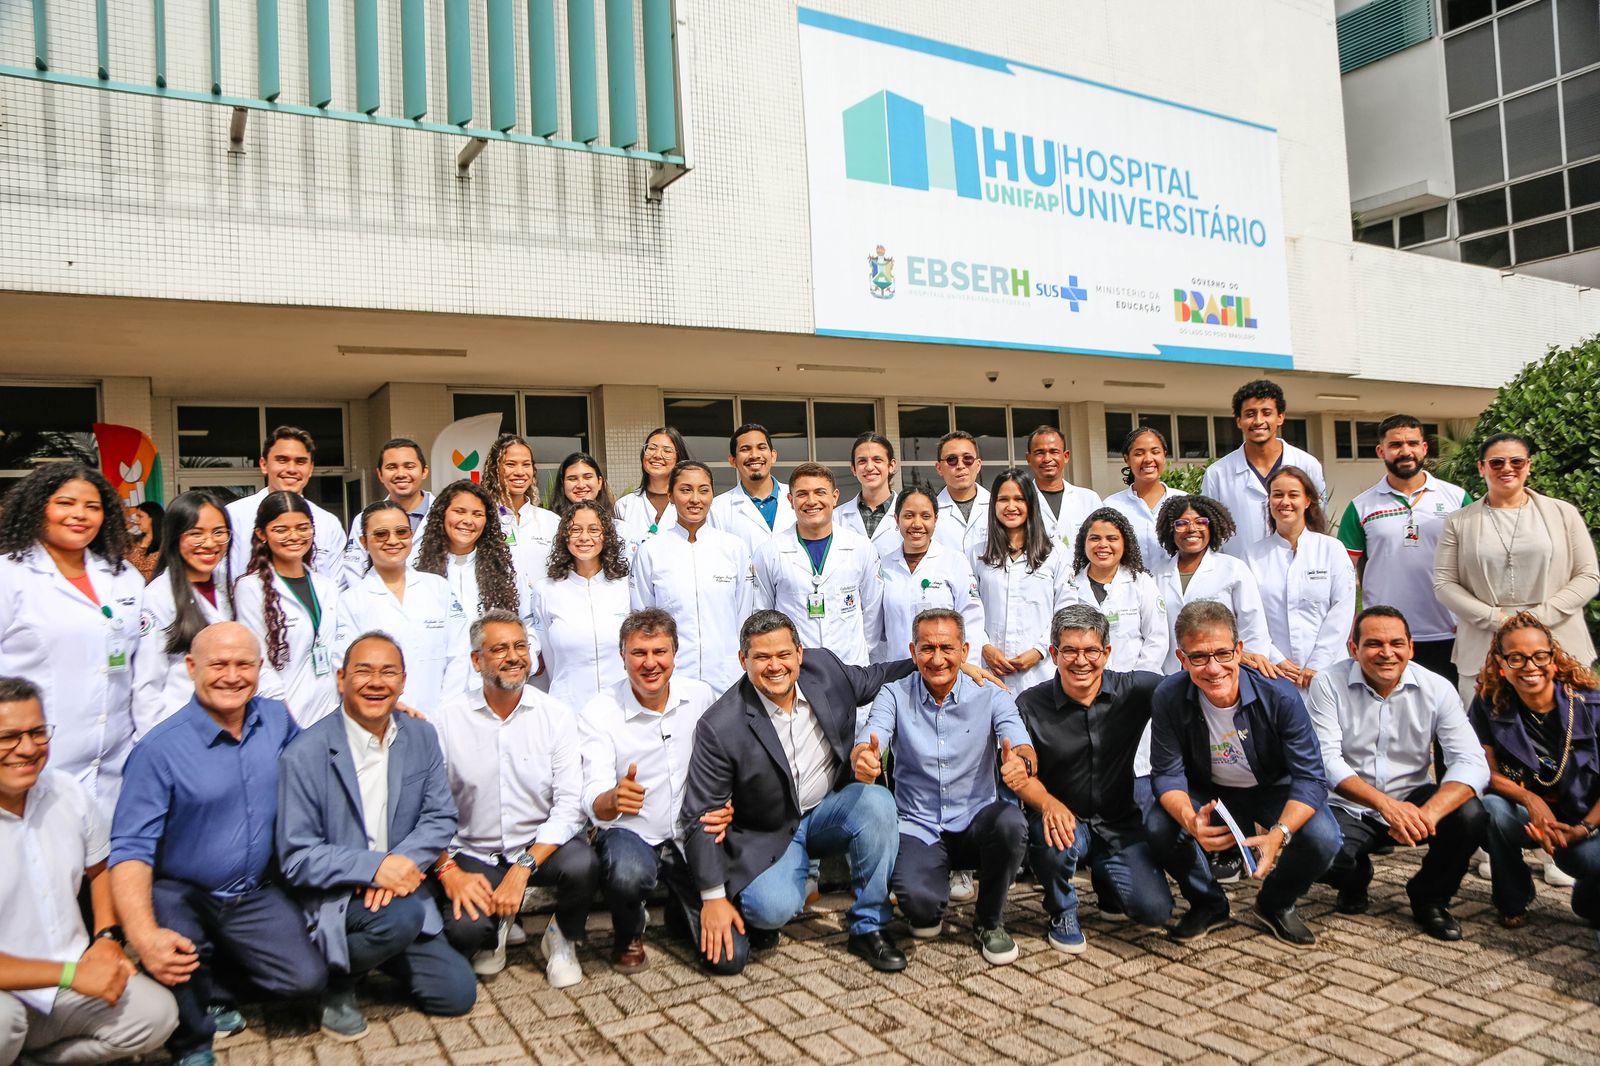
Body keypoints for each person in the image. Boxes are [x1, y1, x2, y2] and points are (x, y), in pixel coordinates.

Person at [109, 623, 327, 1065]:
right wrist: (143, 935)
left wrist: (378, 718)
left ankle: (211, 983)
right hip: (181, 894)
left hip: (253, 892)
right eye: (218, 665)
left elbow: (320, 756)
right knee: (175, 953)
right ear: (191, 667)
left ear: (260, 668)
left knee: (306, 980)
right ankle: (192, 1042)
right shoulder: (157, 751)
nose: (232, 676)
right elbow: (130, 850)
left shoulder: (276, 719)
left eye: (244, 664)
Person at [679, 610, 915, 975]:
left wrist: (944, 665)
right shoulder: (720, 725)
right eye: (762, 657)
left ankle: (869, 927)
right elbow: (700, 816)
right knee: (769, 908)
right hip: (768, 832)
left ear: (800, 654)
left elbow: (879, 676)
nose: (775, 666)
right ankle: (757, 897)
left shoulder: (827, 671)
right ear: (743, 660)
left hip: (828, 810)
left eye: (783, 654)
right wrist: (712, 898)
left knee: (877, 803)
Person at [276, 632, 476, 1040]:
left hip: (398, 892)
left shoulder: (421, 736)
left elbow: (440, 816)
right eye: (363, 671)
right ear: (341, 679)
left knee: (457, 994)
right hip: (338, 895)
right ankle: (335, 982)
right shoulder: (305, 753)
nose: (376, 682)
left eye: (388, 672)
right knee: (400, 919)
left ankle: (369, 957)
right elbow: (297, 857)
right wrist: (373, 868)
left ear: (403, 682)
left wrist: (397, 866)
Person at [0, 676, 177, 1066]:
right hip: (11, 993)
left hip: (71, 978)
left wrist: (107, 936)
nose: (27, 748)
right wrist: (69, 974)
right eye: (8, 737)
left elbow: (101, 868)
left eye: (37, 732)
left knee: (157, 1016)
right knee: (3, 1022)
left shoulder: (66, 791)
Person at [1148, 601, 1341, 946]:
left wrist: (1279, 832)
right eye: (1198, 657)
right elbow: (1166, 774)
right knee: (1160, 825)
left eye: (1223, 654)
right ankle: (1208, 903)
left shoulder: (1279, 694)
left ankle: (1275, 902)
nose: (1213, 668)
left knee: (1324, 837)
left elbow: (1311, 778)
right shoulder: (1169, 695)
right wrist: (1190, 820)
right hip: (1210, 792)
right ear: (1181, 659)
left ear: (1239, 650)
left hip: (1272, 788)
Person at [853, 609, 1033, 965]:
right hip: (919, 827)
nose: (937, 659)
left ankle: (989, 921)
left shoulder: (991, 695)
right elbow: (871, 736)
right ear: (913, 651)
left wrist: (1021, 762)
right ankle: (927, 903)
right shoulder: (894, 694)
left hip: (976, 822)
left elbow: (1019, 740)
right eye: (927, 648)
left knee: (1011, 823)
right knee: (920, 910)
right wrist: (864, 757)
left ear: (965, 651)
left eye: (947, 648)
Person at [432, 611, 599, 987]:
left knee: (583, 864)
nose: (514, 656)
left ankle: (561, 937)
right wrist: (448, 868)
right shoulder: (447, 720)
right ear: (477, 661)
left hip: (539, 849)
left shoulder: (555, 715)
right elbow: (429, 808)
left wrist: (523, 868)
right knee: (464, 932)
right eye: (499, 649)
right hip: (476, 852)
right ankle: (496, 931)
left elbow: (569, 804)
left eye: (520, 646)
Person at [1012, 606, 1194, 951]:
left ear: (1106, 652)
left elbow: (1191, 682)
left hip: (1118, 823)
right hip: (1062, 818)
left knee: (1155, 911)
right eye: (1069, 650)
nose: (1081, 661)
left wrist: (1245, 666)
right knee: (1054, 838)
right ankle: (1062, 910)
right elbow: (1021, 774)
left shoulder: (1136, 690)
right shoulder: (1030, 704)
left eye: (1091, 651)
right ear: (1054, 654)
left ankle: (1109, 885)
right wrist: (1048, 804)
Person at [1307, 607, 1488, 939]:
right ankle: (1355, 877)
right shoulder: (1327, 683)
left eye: (1396, 643)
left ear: (1411, 648)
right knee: (1320, 855)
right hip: (1348, 803)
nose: (1386, 653)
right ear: (1353, 649)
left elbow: (1472, 761)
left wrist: (1428, 814)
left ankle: (1429, 898)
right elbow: (1326, 761)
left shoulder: (1437, 688)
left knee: (1471, 814)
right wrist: (1385, 806)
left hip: (1412, 798)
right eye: (1374, 643)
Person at [0, 462, 144, 821]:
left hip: (115, 765)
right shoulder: (9, 575)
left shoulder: (123, 576)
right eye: (65, 503)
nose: (80, 514)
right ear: (38, 508)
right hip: (33, 760)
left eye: (92, 507)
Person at [578, 609, 720, 973]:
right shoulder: (599, 711)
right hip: (631, 832)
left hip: (687, 833)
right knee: (627, 874)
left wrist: (728, 801)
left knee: (727, 959)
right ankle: (629, 931)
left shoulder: (700, 696)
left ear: (675, 653)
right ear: (622, 655)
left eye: (660, 651)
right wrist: (612, 799)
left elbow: (724, 762)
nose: (650, 663)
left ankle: (679, 912)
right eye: (639, 653)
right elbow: (593, 794)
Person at [1434, 432, 1599, 707]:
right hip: (1483, 642)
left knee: (1569, 723)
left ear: (1529, 465)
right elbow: (1444, 583)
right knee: (1488, 724)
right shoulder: (1458, 522)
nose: (1507, 468)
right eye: (1496, 462)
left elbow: (1588, 576)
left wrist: (1537, 618)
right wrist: (1496, 619)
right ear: (1481, 467)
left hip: (1559, 637)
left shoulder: (1563, 513)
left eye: (1517, 461)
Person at [1469, 612, 1600, 936]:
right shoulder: (1488, 704)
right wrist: (1530, 799)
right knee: (1492, 808)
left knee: (1588, 888)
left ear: (1553, 659)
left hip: (1586, 822)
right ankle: (1512, 900)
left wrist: (1582, 829)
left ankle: (1589, 894)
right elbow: (1484, 771)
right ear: (1501, 664)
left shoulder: (1592, 705)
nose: (1530, 666)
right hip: (1527, 817)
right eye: (1517, 658)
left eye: (1539, 656)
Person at [1336, 415, 1472, 688]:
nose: (1405, 451)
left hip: (1448, 632)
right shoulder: (1361, 506)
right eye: (1396, 445)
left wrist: (1469, 618)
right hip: (1385, 639)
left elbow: (1473, 564)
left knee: (1448, 710)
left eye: (1412, 443)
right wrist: (1350, 628)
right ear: (1381, 451)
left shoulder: (1457, 498)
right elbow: (1343, 576)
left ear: (1424, 448)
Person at [628, 461, 753, 694]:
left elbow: (743, 615)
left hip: (727, 674)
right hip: (674, 676)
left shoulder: (733, 548)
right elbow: (643, 618)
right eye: (685, 490)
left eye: (703, 490)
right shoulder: (651, 551)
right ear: (670, 496)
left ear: (712, 495)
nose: (695, 499)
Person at [336, 501, 470, 713]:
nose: (393, 540)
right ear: (364, 542)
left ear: (411, 535)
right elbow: (346, 665)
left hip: (442, 714)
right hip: (382, 715)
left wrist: (446, 708)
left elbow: (460, 653)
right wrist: (390, 706)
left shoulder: (438, 588)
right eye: (381, 534)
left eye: (401, 532)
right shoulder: (352, 601)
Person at [752, 464, 883, 672]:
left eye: (820, 492)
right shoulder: (770, 552)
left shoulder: (861, 547)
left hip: (851, 666)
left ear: (835, 497)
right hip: (797, 669)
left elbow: (873, 612)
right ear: (790, 500)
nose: (811, 501)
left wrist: (861, 655)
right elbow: (763, 613)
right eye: (802, 494)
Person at [132, 491, 235, 736]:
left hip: (229, 723)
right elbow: (147, 685)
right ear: (175, 536)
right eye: (196, 534)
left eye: (219, 532)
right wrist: (154, 743)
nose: (210, 543)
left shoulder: (228, 585)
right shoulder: (158, 596)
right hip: (180, 728)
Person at [1245, 467, 1356, 693]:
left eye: (1293, 495)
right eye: (1277, 495)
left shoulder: (1331, 549)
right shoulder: (1252, 556)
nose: (1285, 502)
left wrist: (1317, 664)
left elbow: (1342, 611)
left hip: (1330, 670)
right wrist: (1275, 659)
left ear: (1307, 501)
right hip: (1274, 673)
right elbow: (1249, 616)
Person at [232, 492, 340, 726]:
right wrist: (284, 718)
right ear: (261, 534)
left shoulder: (327, 586)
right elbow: (257, 660)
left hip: (330, 713)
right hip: (283, 717)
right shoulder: (250, 588)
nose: (294, 536)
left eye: (303, 528)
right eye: (281, 530)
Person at [969, 469, 1074, 693]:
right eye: (1003, 499)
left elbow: (1066, 610)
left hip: (1042, 672)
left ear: (1031, 504)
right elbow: (968, 609)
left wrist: (1039, 650)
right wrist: (984, 646)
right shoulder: (977, 553)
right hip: (990, 672)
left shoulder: (1055, 553)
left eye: (1019, 499)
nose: (1011, 506)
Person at [1152, 495, 1279, 676]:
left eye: (1201, 522)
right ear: (1170, 530)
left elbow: (1253, 628)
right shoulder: (1156, 575)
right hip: (1170, 674)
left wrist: (1247, 669)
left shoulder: (1233, 570)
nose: (1192, 528)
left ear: (1211, 526)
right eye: (1181, 523)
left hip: (1221, 671)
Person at [1201, 380, 1325, 559]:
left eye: (1266, 413)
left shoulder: (1307, 464)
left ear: (1280, 417)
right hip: (1240, 571)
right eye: (1250, 414)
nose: (1258, 421)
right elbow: (1211, 533)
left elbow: (1318, 519)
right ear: (1239, 421)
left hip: (1301, 566)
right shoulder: (1217, 474)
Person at [528, 500, 631, 708]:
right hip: (568, 707)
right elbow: (546, 654)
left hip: (621, 707)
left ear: (606, 535)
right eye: (575, 530)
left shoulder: (625, 587)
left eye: (594, 529)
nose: (584, 537)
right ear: (564, 536)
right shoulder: (545, 590)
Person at [877, 485, 987, 666]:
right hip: (897, 669)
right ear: (897, 519)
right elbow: (875, 628)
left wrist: (967, 667)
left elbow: (971, 620)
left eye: (925, 516)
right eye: (909, 516)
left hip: (944, 668)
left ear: (936, 519)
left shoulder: (954, 562)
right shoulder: (884, 566)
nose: (917, 524)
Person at [224, 427, 346, 580]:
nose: (291, 469)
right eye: (282, 460)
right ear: (264, 464)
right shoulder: (234, 516)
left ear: (310, 468)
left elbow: (337, 585)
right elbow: (221, 579)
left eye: (300, 462)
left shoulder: (328, 523)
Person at [411, 479, 532, 624]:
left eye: (477, 514)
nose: (468, 521)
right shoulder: (417, 568)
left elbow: (527, 624)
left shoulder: (506, 568)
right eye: (459, 511)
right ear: (442, 514)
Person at [1063, 507, 1167, 673]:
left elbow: (1157, 638)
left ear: (1125, 543)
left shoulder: (1141, 583)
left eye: (1112, 538)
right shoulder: (1071, 585)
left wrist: (1134, 681)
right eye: (1095, 538)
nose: (1103, 545)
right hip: (1085, 679)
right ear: (1083, 543)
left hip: (1135, 682)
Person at [339, 438, 433, 590]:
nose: (401, 474)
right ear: (380, 474)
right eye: (391, 467)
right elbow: (354, 571)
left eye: (409, 466)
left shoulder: (445, 515)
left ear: (424, 471)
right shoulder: (363, 520)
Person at [1104, 425, 1186, 568]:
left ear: (1164, 455)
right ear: (1127, 459)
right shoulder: (1112, 506)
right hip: (1130, 581)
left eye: (1155, 452)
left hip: (1175, 580)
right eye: (1139, 453)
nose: (1148, 459)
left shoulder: (1185, 501)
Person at [480, 434, 561, 577]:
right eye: (510, 464)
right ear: (494, 468)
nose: (520, 472)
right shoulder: (483, 519)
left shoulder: (551, 521)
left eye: (526, 464)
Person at [708, 424, 796, 553]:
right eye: (745, 449)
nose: (754, 455)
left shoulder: (799, 497)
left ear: (773, 456)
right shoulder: (717, 508)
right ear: (733, 461)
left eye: (761, 447)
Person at [1024, 425, 1101, 553]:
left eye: (1054, 452)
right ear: (1029, 458)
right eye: (1040, 453)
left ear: (1066, 456)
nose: (1047, 459)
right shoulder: (1021, 501)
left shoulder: (1089, 499)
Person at [614, 427, 688, 551]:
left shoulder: (688, 503)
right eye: (652, 448)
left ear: (678, 458)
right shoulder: (624, 505)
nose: (657, 455)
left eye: (667, 451)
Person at [837, 432, 902, 559]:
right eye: (862, 461)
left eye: (877, 460)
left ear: (891, 465)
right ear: (853, 469)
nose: (869, 467)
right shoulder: (836, 518)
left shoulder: (910, 515)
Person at [932, 431, 990, 555]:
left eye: (967, 458)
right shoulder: (930, 512)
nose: (960, 465)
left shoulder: (996, 506)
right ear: (939, 468)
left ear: (978, 465)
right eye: (951, 459)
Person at [553, 452, 617, 518]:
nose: (581, 485)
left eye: (588, 477)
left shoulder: (617, 523)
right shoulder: (551, 522)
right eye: (572, 479)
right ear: (562, 484)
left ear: (599, 482)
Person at [124, 502, 164, 584]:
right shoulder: (132, 541)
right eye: (136, 517)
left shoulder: (166, 545)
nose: (137, 521)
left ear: (152, 518)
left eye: (140, 516)